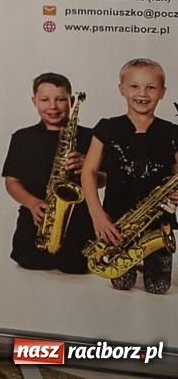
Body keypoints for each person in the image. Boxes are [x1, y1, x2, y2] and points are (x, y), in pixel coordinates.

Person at [80, 58, 178, 294]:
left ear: (163, 92)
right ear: (121, 89)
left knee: (158, 287)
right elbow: (89, 171)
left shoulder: (172, 131)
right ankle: (132, 262)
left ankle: (149, 262)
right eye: (134, 86)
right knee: (122, 284)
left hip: (158, 220)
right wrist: (97, 214)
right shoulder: (107, 127)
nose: (142, 94)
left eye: (151, 87)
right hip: (116, 222)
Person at [0, 72, 93, 273]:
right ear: (34, 101)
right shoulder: (22, 138)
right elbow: (12, 181)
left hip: (79, 223)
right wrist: (32, 203)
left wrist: (88, 167)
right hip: (36, 219)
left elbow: (103, 180)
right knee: (28, 264)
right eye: (45, 100)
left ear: (72, 100)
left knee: (76, 268)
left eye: (60, 99)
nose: (53, 106)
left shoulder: (90, 137)